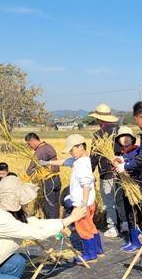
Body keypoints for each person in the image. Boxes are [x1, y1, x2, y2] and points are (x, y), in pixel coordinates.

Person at [43, 134, 103, 263]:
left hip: (82, 204)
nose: (71, 152)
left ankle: (90, 255)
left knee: (83, 229)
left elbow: (86, 184)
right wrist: (47, 162)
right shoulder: (82, 160)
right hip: (89, 203)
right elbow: (65, 162)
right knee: (90, 226)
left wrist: (83, 203)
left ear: (80, 147)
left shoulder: (81, 165)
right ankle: (98, 250)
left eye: (72, 150)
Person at [88, 103, 124, 238]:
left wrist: (90, 171)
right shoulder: (120, 131)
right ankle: (125, 224)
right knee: (121, 199)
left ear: (99, 120)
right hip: (122, 171)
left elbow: (94, 157)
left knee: (109, 201)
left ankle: (113, 226)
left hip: (106, 172)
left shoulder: (99, 135)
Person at [114, 126, 142, 252]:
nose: (125, 139)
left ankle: (137, 241)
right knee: (128, 212)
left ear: (132, 139)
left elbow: (135, 163)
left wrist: (123, 162)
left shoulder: (136, 151)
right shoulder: (121, 153)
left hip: (135, 186)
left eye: (127, 137)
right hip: (125, 187)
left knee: (135, 213)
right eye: (122, 137)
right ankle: (132, 240)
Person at [25, 132, 61, 219]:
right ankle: (57, 228)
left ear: (33, 141)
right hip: (57, 180)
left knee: (49, 207)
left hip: (49, 182)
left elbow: (30, 170)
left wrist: (24, 179)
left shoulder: (40, 151)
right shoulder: (48, 146)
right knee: (55, 206)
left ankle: (51, 229)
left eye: (29, 144)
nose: (30, 147)